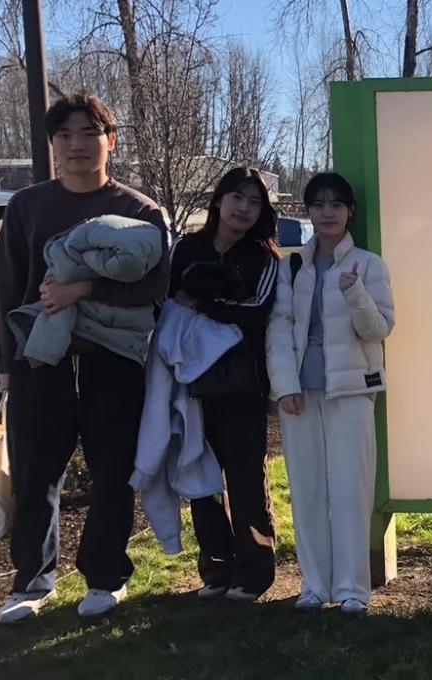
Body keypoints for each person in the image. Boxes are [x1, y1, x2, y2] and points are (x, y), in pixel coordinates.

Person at [0, 93, 170, 623]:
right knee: (36, 473)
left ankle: (106, 576)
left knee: (112, 470)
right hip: (37, 361)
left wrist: (84, 289)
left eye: (88, 134)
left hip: (112, 360)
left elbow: (155, 290)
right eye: (64, 136)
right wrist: (6, 361)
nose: (76, 146)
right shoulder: (28, 206)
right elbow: (7, 286)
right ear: (52, 146)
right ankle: (30, 582)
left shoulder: (140, 212)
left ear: (110, 142)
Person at [267, 172, 395, 614]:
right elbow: (279, 330)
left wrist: (355, 292)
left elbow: (379, 329)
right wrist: (284, 386)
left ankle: (353, 590)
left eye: (336, 204)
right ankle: (314, 586)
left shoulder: (369, 264)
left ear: (349, 212)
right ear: (308, 211)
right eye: (318, 204)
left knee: (350, 491)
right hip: (301, 394)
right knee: (307, 492)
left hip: (352, 392)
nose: (327, 212)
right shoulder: (293, 265)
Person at [168, 167, 282, 602]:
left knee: (246, 478)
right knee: (200, 475)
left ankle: (254, 573)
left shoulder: (265, 258)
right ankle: (216, 568)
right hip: (189, 382)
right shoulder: (186, 248)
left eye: (255, 202)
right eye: (238, 197)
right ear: (219, 200)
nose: (245, 209)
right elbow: (168, 303)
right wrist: (203, 303)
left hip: (241, 384)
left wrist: (200, 301)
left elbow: (254, 310)